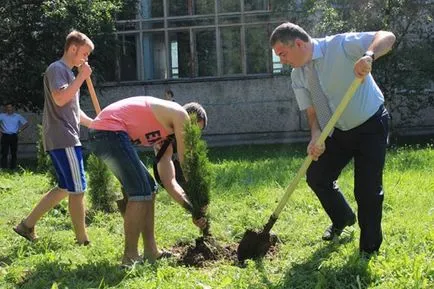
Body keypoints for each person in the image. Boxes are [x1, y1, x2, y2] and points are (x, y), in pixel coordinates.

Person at [270, 22, 395, 256]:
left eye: (283, 54)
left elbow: (387, 36)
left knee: (367, 189)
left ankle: (369, 249)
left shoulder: (340, 46)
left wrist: (369, 55)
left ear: (298, 44)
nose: (282, 60)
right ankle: (343, 219)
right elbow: (311, 112)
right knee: (317, 176)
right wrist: (316, 135)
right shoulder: (298, 75)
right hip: (336, 130)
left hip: (371, 124)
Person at [87, 96, 208, 266]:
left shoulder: (164, 138)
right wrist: (198, 196)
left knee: (149, 188)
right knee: (140, 191)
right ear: (189, 119)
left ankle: (151, 252)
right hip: (108, 132)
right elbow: (186, 163)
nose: (192, 137)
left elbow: (169, 181)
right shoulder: (180, 114)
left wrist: (192, 209)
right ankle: (129, 257)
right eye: (193, 130)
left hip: (105, 135)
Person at [13, 30, 94, 245]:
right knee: (78, 188)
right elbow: (60, 99)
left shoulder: (68, 74)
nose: (86, 59)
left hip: (63, 135)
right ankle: (82, 240)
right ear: (73, 48)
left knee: (66, 187)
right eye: (84, 54)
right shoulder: (57, 69)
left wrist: (95, 123)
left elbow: (73, 111)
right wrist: (81, 78)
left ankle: (26, 225)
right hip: (64, 137)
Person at [0, 103, 29, 169]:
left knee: (13, 153)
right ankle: (3, 168)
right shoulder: (2, 115)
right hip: (5, 136)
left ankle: (13, 168)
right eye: (7, 107)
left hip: (14, 136)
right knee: (4, 153)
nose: (9, 109)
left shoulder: (17, 116)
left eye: (10, 107)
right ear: (6, 108)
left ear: (13, 108)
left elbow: (26, 123)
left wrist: (19, 131)